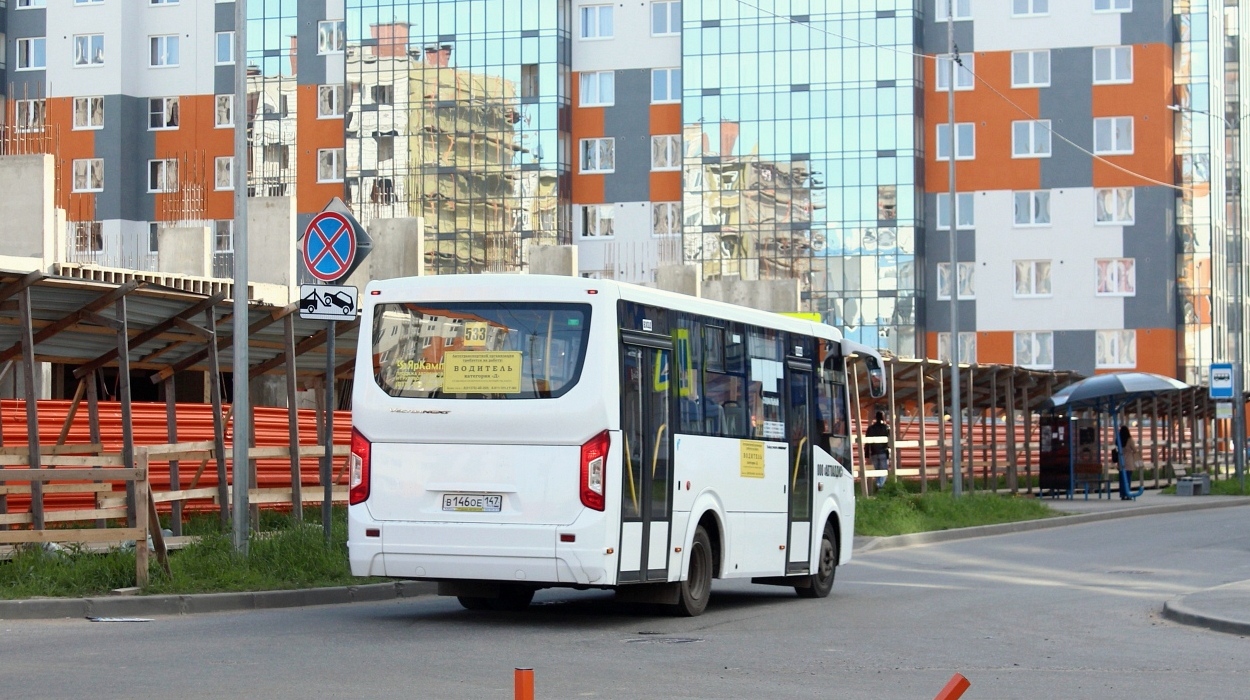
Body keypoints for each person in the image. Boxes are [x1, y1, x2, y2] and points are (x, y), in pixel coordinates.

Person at [866, 410, 890, 488]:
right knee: (884, 472)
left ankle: (879, 486)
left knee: (877, 472)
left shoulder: (870, 428)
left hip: (874, 453)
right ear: (883, 417)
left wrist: (866, 454)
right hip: (883, 452)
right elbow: (890, 441)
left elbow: (867, 442)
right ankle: (879, 485)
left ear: (875, 418)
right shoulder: (886, 428)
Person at [1117, 424, 1139, 500]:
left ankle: (1122, 494)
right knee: (1128, 479)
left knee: (1122, 479)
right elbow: (1135, 450)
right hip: (1129, 461)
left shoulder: (1118, 440)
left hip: (1121, 462)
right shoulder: (1130, 440)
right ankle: (1127, 494)